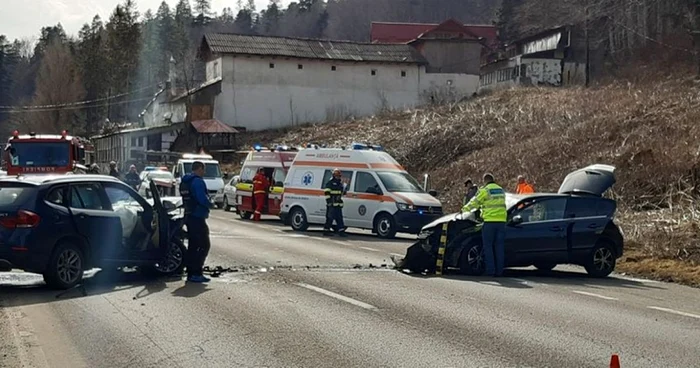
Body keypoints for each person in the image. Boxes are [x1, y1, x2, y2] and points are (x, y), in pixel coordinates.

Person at [462, 173, 507, 277]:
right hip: (501, 222)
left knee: (488, 246)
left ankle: (490, 270)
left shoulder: (485, 190)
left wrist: (464, 209)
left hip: (490, 222)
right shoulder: (501, 190)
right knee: (499, 247)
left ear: (485, 181)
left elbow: (475, 202)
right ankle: (499, 271)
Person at [180, 161, 213, 283]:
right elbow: (202, 198)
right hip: (197, 216)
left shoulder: (185, 181)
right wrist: (210, 204)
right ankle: (196, 272)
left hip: (189, 215)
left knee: (193, 245)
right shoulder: (197, 182)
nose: (204, 172)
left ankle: (191, 272)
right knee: (204, 245)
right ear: (199, 169)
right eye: (203, 170)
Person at [323, 168, 347, 237]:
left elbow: (341, 193)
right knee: (329, 218)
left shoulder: (340, 184)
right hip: (331, 204)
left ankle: (341, 232)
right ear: (334, 176)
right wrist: (329, 202)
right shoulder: (330, 183)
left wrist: (344, 191)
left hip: (338, 204)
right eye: (337, 176)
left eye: (339, 176)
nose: (338, 177)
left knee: (339, 218)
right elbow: (326, 192)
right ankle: (326, 231)